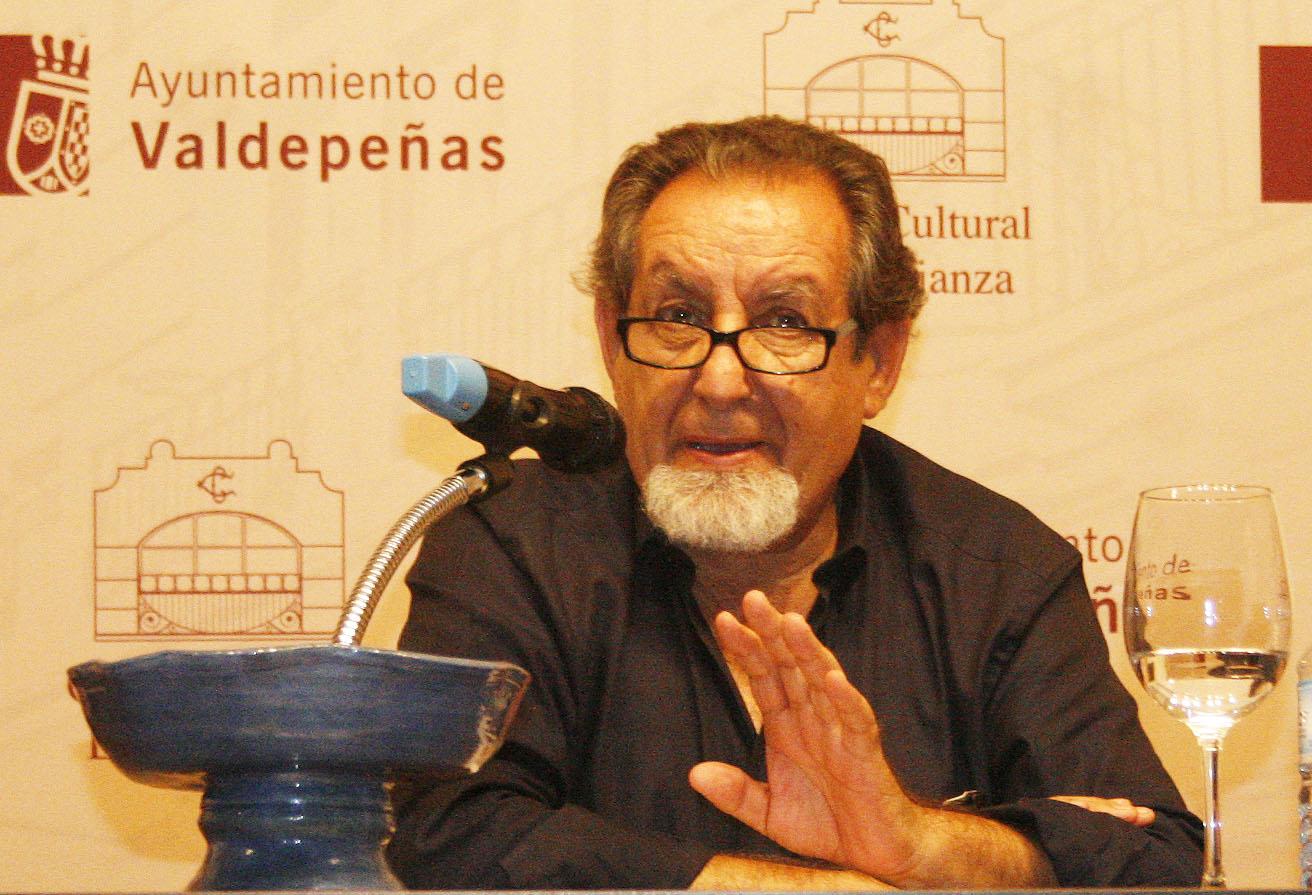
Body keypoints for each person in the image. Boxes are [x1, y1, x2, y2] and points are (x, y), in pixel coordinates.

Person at [386, 116, 1203, 889]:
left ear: (879, 361)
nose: (719, 380)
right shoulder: (510, 542)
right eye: (677, 317)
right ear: (610, 338)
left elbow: (1149, 863)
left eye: (784, 321)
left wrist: (917, 841)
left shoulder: (995, 570)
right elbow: (449, 836)